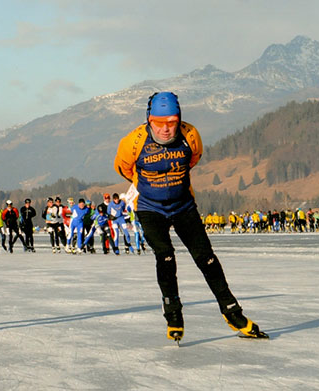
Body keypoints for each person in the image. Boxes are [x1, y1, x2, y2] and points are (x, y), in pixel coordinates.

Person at [114, 91, 268, 342]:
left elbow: (193, 159)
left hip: (183, 205)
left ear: (180, 119)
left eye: (172, 122)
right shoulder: (132, 142)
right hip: (149, 208)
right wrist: (152, 185)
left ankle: (232, 311)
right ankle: (173, 312)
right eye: (159, 123)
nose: (165, 129)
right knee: (164, 255)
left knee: (206, 258)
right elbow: (123, 168)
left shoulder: (190, 135)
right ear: (148, 119)